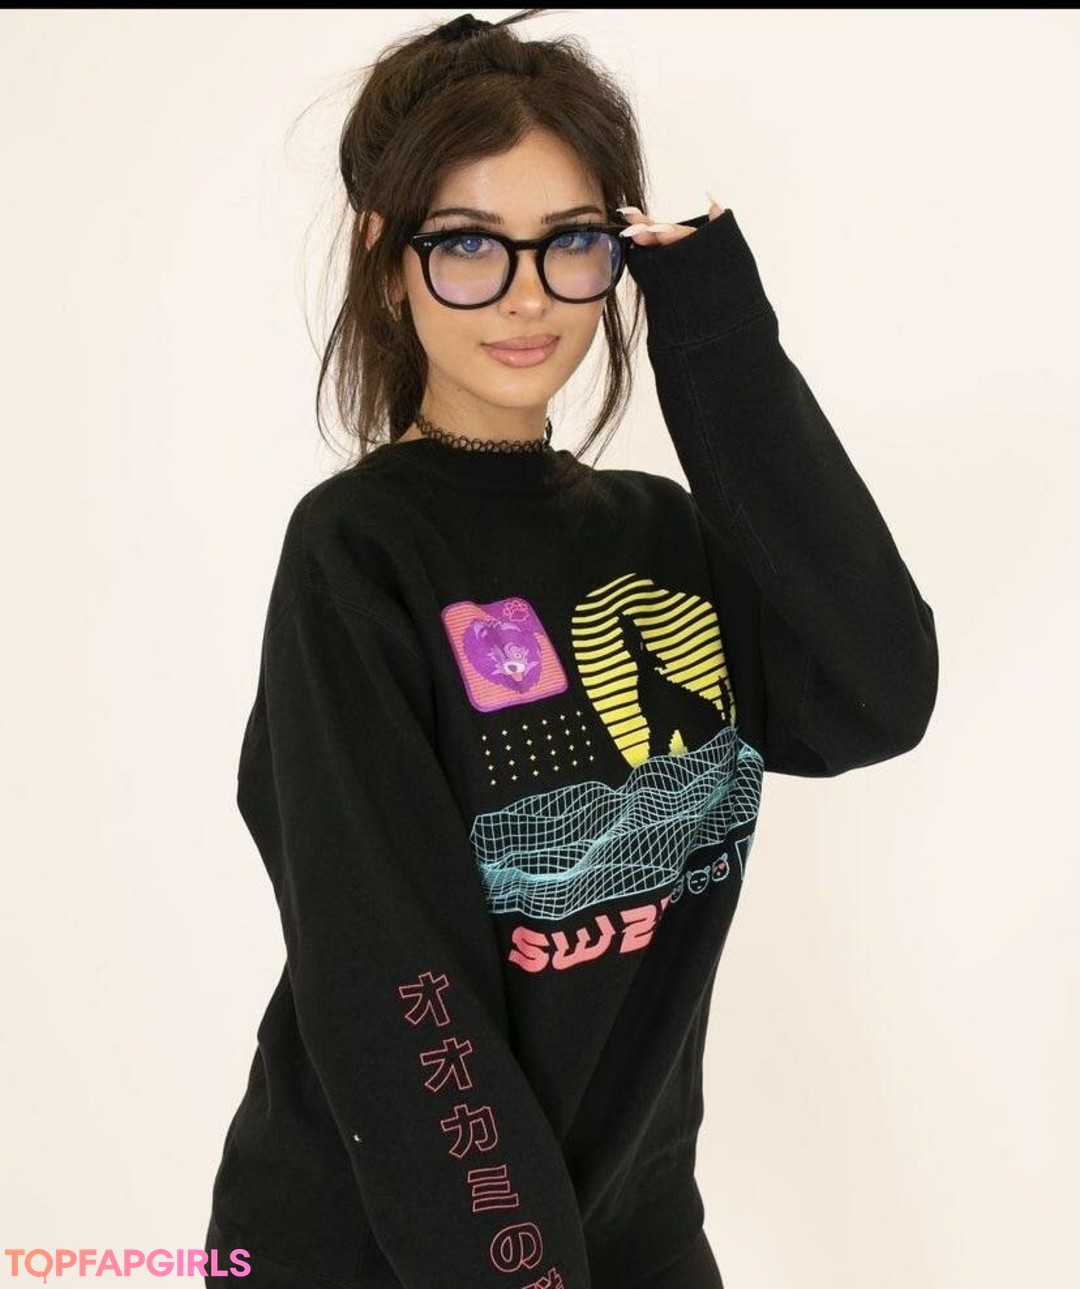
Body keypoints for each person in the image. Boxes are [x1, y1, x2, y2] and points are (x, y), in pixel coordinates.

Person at [200, 9, 939, 1289]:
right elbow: (395, 979)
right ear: (387, 258)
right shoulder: (359, 554)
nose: (527, 293)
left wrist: (714, 327)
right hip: (391, 1243)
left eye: (573, 242)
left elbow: (879, 692)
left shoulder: (664, 537)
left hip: (634, 1225)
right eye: (468, 243)